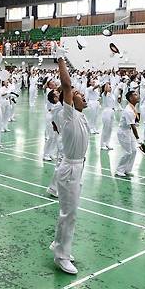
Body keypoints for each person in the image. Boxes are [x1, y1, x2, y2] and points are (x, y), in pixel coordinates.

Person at [49, 54, 89, 275]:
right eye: (78, 95)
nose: (82, 97)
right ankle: (61, 256)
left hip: (78, 167)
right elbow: (66, 84)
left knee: (69, 211)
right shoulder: (68, 114)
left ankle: (58, 244)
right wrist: (61, 59)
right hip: (69, 169)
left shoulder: (81, 117)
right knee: (69, 213)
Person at [115, 90, 143, 178]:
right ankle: (119, 170)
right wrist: (138, 138)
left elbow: (134, 123)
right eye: (135, 95)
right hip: (123, 132)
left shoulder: (133, 108)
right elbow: (133, 126)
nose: (137, 96)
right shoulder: (128, 110)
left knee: (134, 151)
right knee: (128, 152)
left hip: (128, 130)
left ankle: (127, 169)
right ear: (130, 98)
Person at [100, 82, 117, 150]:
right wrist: (106, 83)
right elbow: (105, 90)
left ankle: (107, 143)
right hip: (106, 111)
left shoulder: (112, 95)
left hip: (112, 112)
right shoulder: (104, 94)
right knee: (105, 129)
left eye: (110, 87)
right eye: (109, 87)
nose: (110, 88)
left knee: (110, 129)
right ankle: (102, 144)